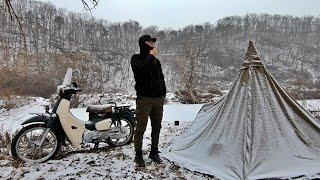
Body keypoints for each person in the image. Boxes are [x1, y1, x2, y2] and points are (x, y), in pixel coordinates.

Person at [131, 35, 166, 167]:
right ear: (143, 43)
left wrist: (163, 93)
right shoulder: (136, 59)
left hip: (158, 99)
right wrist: (150, 57)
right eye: (150, 41)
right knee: (140, 128)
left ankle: (154, 152)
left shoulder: (156, 61)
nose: (153, 43)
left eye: (153, 41)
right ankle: (138, 155)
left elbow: (161, 78)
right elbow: (141, 72)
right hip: (144, 99)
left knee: (157, 127)